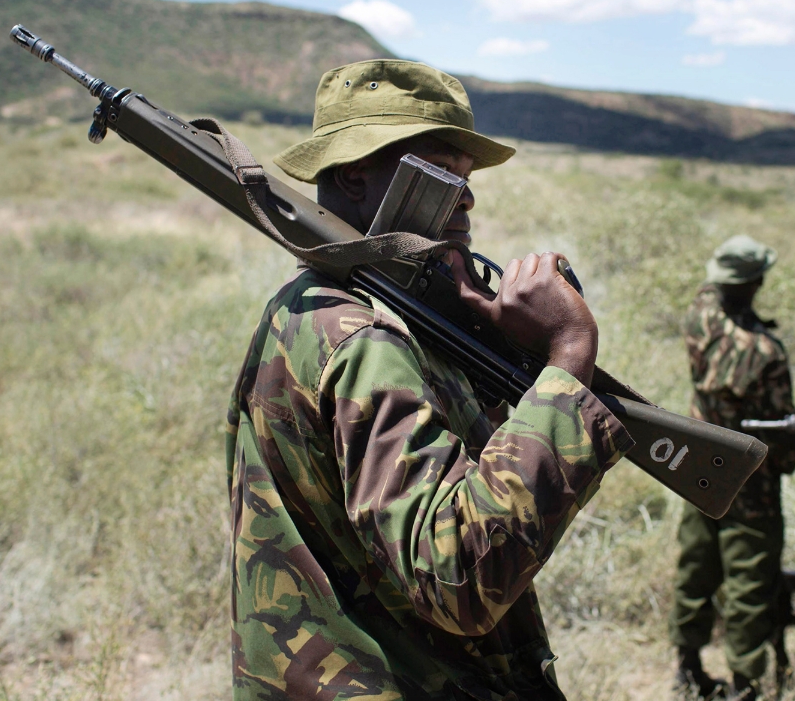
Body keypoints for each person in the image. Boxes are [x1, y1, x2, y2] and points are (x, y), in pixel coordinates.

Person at [225, 59, 635, 700]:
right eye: (441, 171)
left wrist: (491, 343)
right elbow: (459, 577)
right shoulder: (366, 340)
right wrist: (569, 355)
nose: (466, 197)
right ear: (357, 177)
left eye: (467, 179)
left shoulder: (319, 305)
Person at [669, 235, 795, 700]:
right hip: (751, 480)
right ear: (755, 282)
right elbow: (782, 432)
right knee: (749, 580)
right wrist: (789, 457)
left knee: (696, 564)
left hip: (696, 462)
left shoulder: (697, 316)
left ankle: (686, 665)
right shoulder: (765, 352)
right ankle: (746, 680)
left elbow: (709, 293)